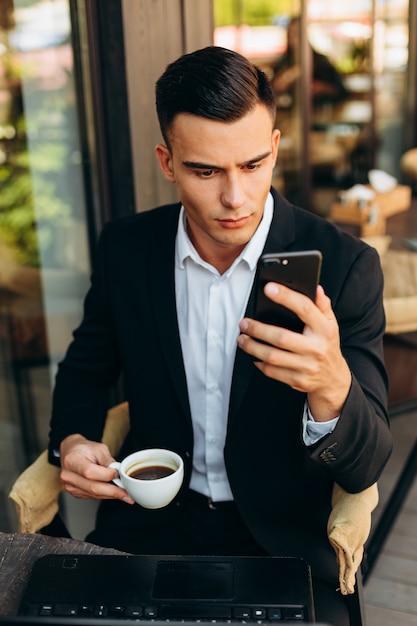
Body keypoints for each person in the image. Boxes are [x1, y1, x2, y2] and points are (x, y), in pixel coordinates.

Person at [48, 45, 392, 625]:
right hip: (151, 524)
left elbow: (365, 466)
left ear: (276, 149)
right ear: (167, 161)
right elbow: (84, 370)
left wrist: (332, 387)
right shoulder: (127, 250)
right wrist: (75, 441)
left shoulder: (345, 265)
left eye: (253, 165)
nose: (236, 198)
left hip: (284, 540)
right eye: (206, 171)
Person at [271, 16, 348, 108]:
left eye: (297, 33)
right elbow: (271, 94)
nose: (293, 38)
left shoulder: (321, 62)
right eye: (290, 33)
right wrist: (286, 77)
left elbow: (341, 91)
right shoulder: (283, 64)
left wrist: (322, 88)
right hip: (289, 116)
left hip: (319, 114)